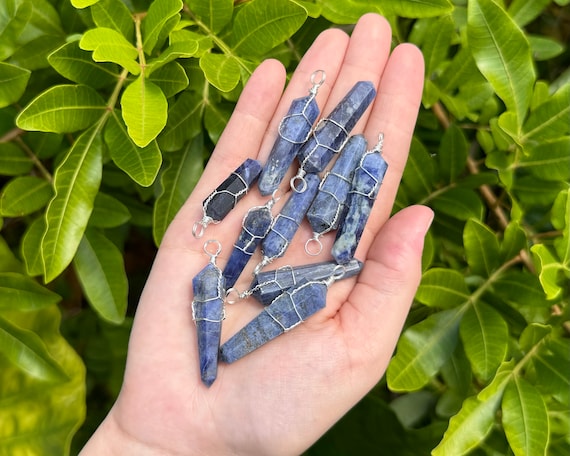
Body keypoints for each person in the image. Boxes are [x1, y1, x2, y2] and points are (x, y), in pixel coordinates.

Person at [80, 13, 432, 456]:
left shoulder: (315, 195)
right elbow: (272, 185)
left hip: (290, 238)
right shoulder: (270, 210)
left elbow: (299, 204)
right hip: (278, 241)